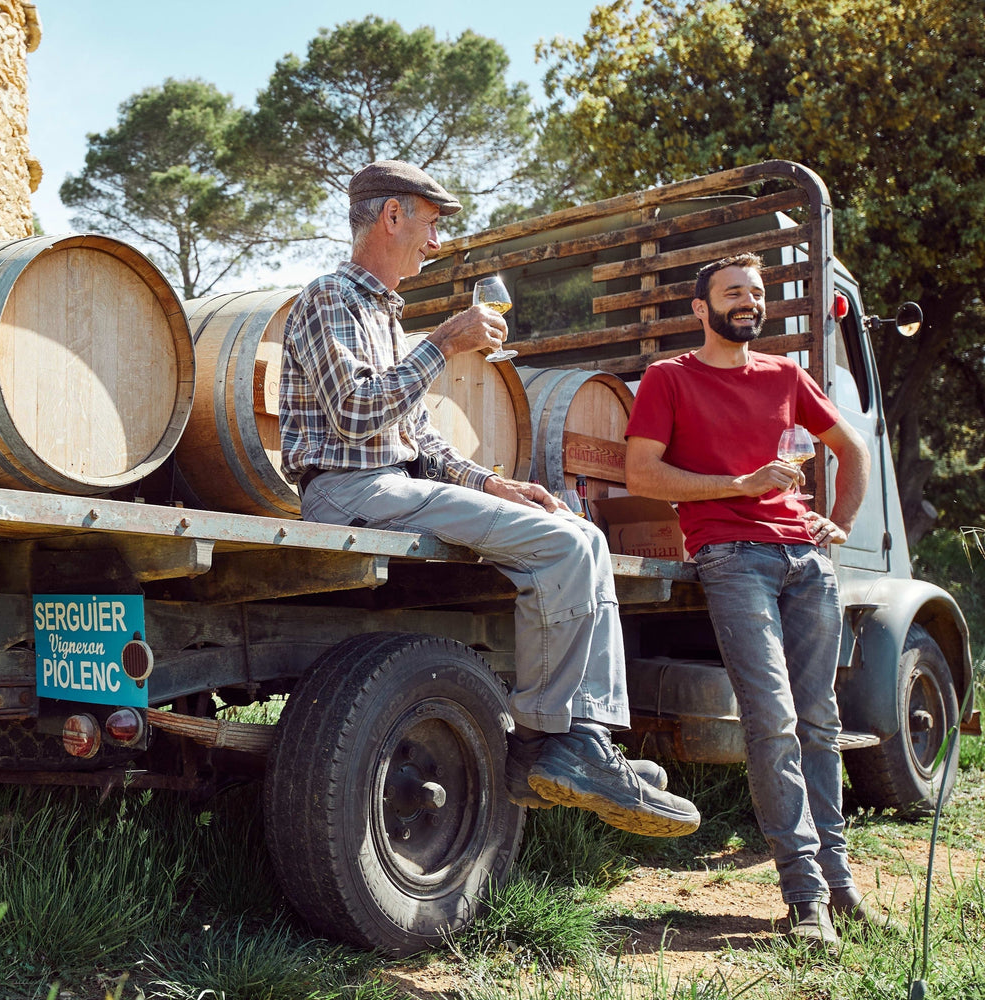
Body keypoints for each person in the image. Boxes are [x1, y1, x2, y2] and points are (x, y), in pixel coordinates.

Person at [279, 159, 700, 839]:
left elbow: (418, 439)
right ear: (394, 216)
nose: (437, 242)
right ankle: (548, 742)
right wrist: (446, 341)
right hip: (349, 490)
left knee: (577, 530)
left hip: (391, 485)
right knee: (563, 546)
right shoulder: (332, 298)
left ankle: (576, 738)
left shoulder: (384, 316)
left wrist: (494, 484)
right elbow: (357, 416)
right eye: (432, 222)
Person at [624, 252, 901, 948]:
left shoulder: (784, 375)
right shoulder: (670, 378)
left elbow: (853, 448)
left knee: (819, 722)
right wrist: (741, 485)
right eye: (732, 292)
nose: (748, 301)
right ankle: (804, 898)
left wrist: (837, 520)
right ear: (701, 308)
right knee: (772, 723)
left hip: (807, 561)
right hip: (730, 557)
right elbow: (642, 474)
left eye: (756, 292)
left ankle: (842, 888)